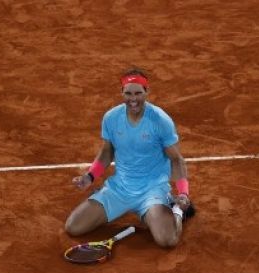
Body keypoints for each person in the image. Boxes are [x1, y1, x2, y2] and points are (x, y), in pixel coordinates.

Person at [65, 67, 194, 248]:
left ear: (146, 92)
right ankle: (109, 202)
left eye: (138, 93)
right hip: (120, 188)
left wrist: (183, 193)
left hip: (152, 190)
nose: (133, 99)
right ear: (122, 92)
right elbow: (107, 152)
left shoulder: (160, 120)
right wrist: (90, 176)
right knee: (73, 227)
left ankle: (177, 210)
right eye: (128, 93)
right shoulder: (111, 118)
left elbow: (176, 159)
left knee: (167, 240)